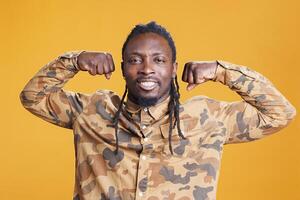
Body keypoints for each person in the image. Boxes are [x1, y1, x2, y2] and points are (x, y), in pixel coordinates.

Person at [20, 21, 296, 200]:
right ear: (124, 68)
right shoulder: (91, 111)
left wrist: (221, 71)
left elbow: (280, 113)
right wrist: (75, 61)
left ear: (174, 68)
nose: (147, 69)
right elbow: (32, 97)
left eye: (159, 60)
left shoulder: (209, 119)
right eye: (135, 60)